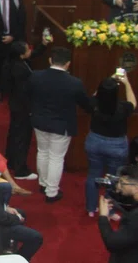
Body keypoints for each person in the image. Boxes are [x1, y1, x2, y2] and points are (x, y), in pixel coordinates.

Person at [27, 47, 91, 202]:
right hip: (61, 126)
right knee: (56, 158)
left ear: (50, 60)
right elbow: (87, 106)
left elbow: (28, 96)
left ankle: (43, 184)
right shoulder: (74, 83)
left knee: (42, 152)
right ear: (68, 64)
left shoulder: (35, 76)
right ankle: (51, 192)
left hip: (40, 121)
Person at [86, 73, 138, 216]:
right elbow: (133, 102)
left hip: (94, 142)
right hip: (116, 146)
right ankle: (109, 211)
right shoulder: (122, 107)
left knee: (93, 174)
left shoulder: (94, 104)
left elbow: (93, 96)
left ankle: (91, 208)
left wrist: (107, 80)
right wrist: (126, 82)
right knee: (114, 178)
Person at [97, 165, 138, 261]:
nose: (118, 186)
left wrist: (103, 217)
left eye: (122, 183)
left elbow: (112, 243)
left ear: (136, 188)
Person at [5, 41, 37, 180]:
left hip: (15, 105)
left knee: (14, 134)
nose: (30, 50)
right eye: (27, 49)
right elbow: (24, 92)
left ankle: (12, 161)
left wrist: (42, 45)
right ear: (21, 54)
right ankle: (20, 170)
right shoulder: (20, 69)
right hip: (23, 107)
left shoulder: (12, 63)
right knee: (22, 137)